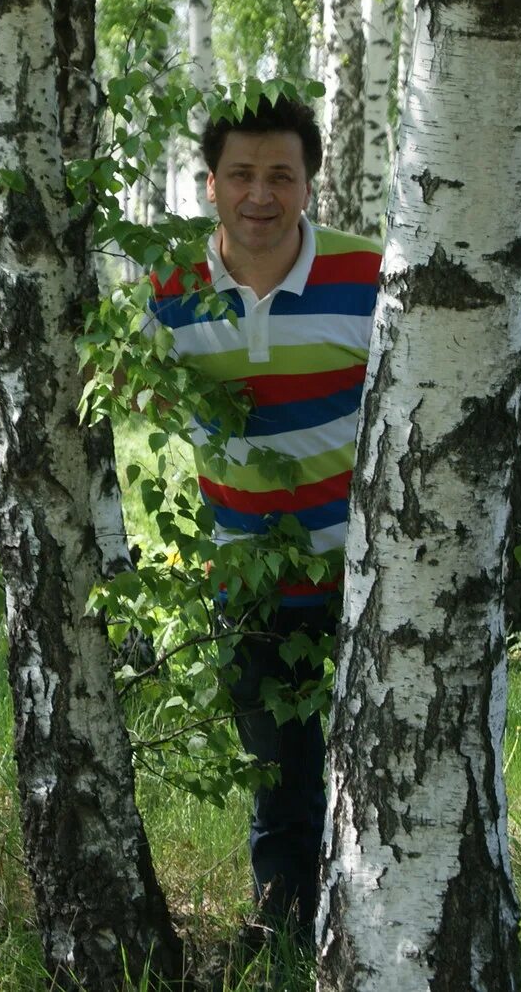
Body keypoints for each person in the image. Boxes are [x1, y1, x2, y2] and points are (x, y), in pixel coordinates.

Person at [143, 94, 380, 940]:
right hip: (243, 576)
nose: (260, 194)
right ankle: (283, 926)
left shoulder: (370, 276)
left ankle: (373, 923)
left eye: (281, 174)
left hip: (365, 574)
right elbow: (138, 392)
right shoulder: (170, 288)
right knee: (280, 769)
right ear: (211, 185)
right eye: (241, 174)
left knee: (377, 761)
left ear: (309, 184)